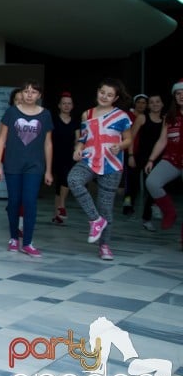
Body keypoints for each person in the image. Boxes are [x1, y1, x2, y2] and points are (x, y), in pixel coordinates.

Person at [67, 78, 133, 261]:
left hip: (112, 164)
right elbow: (83, 138)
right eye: (102, 92)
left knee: (106, 206)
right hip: (89, 159)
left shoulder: (121, 116)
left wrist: (120, 146)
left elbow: (129, 139)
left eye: (110, 95)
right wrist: (78, 149)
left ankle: (104, 246)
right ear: (97, 92)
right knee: (73, 179)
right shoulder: (86, 114)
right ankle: (95, 220)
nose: (105, 97)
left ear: (115, 98)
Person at [0, 81, 53, 257]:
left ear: (39, 95)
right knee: (13, 202)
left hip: (34, 166)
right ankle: (13, 238)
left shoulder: (45, 115)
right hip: (12, 163)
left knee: (30, 202)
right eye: (26, 91)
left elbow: (48, 143)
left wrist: (49, 170)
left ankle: (28, 242)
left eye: (34, 92)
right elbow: (1, 139)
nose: (29, 94)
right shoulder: (12, 112)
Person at [144, 81, 183, 238]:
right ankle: (169, 213)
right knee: (151, 182)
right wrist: (151, 159)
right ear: (175, 97)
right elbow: (162, 140)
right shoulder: (169, 117)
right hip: (172, 159)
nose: (181, 96)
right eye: (178, 93)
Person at [133, 93, 164, 230]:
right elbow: (131, 137)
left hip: (161, 157)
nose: (155, 104)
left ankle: (154, 207)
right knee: (149, 186)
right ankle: (146, 218)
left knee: (158, 185)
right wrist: (130, 155)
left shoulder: (166, 119)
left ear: (162, 104)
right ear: (148, 105)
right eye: (152, 102)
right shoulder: (142, 118)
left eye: (158, 102)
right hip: (144, 158)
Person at [50, 92, 78, 225]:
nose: (66, 106)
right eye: (64, 103)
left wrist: (78, 151)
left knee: (66, 179)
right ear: (59, 106)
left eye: (69, 103)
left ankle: (61, 206)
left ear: (72, 106)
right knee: (59, 184)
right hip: (54, 155)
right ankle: (58, 214)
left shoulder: (76, 121)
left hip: (70, 155)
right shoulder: (53, 120)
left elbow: (78, 139)